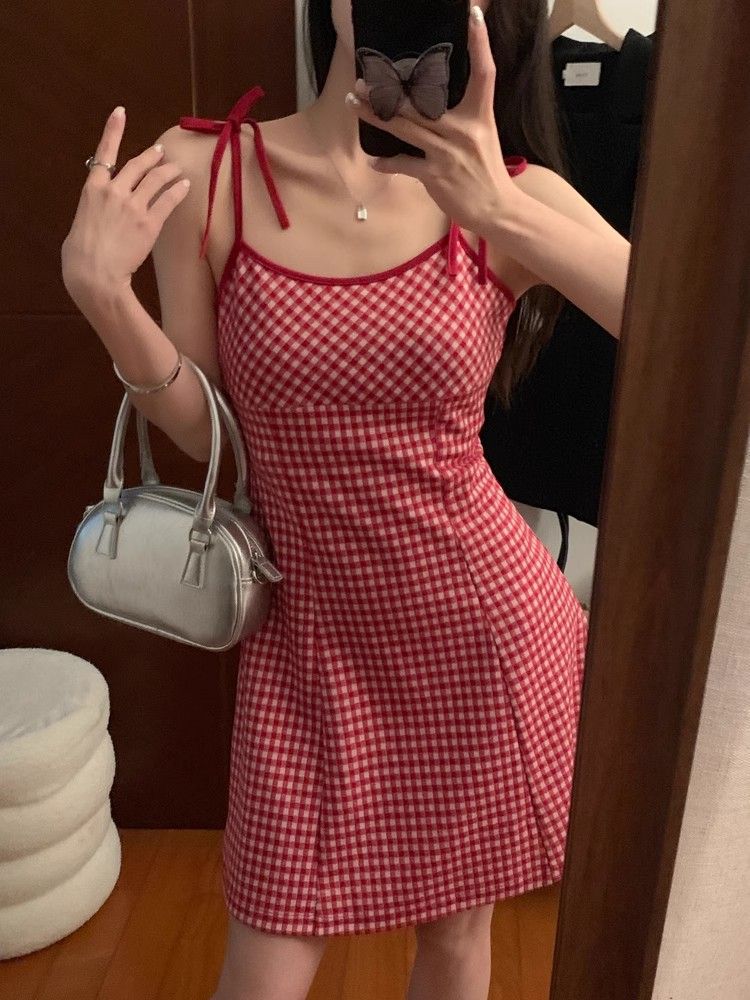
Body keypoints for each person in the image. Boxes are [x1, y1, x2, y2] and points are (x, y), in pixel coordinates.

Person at [61, 2, 629, 998]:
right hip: (310, 641)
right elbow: (208, 436)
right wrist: (109, 303)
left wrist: (499, 211)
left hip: (480, 635)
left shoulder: (509, 197)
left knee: (454, 937)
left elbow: (689, 330)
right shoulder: (209, 172)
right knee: (264, 964)